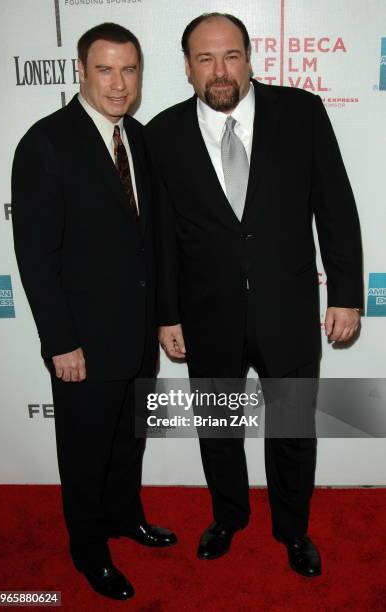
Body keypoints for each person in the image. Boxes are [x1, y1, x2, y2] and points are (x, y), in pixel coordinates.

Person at [146, 13, 363, 578]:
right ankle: (228, 517)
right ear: (188, 65)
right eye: (205, 59)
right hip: (206, 315)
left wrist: (345, 292)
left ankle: (293, 530)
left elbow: (335, 206)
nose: (221, 71)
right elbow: (163, 235)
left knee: (292, 429)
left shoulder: (301, 112)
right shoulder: (163, 133)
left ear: (249, 55)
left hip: (288, 311)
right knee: (219, 428)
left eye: (231, 56)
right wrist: (167, 314)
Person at [11, 22, 176, 601]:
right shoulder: (47, 143)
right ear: (80, 70)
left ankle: (123, 517)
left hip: (136, 337)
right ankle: (88, 549)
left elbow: (150, 241)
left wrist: (164, 317)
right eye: (104, 69)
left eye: (129, 69)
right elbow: (35, 256)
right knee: (83, 454)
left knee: (127, 443)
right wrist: (60, 341)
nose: (118, 83)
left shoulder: (141, 138)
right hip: (82, 341)